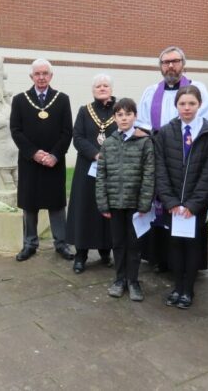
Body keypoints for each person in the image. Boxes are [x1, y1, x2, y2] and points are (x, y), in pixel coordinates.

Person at [136, 46, 208, 273]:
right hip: (161, 157)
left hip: (190, 159)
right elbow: (142, 125)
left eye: (175, 61)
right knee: (162, 201)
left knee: (187, 207)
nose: (170, 65)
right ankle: (160, 259)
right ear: (160, 66)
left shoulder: (197, 89)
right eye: (165, 62)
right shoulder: (151, 92)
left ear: (183, 64)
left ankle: (189, 265)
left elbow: (204, 119)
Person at [155, 85, 208, 309]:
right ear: (176, 106)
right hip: (172, 205)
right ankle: (177, 287)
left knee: (192, 247)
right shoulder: (165, 132)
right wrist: (170, 201)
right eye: (182, 104)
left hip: (195, 205)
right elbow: (160, 168)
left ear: (199, 105)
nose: (187, 108)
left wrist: (193, 204)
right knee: (174, 246)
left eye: (191, 103)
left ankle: (188, 289)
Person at [10, 59, 74, 262]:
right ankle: (30, 244)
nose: (41, 77)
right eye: (37, 74)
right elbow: (16, 131)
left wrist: (55, 155)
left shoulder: (62, 99)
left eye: (45, 73)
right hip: (30, 162)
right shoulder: (20, 100)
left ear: (51, 76)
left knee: (56, 204)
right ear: (31, 77)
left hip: (54, 163)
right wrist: (34, 153)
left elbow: (67, 132)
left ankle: (61, 243)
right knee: (30, 205)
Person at [95, 98, 154, 301]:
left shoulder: (145, 142)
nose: (124, 118)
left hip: (135, 205)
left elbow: (149, 174)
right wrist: (103, 202)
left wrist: (145, 203)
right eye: (119, 114)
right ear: (115, 118)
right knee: (118, 243)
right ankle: (120, 279)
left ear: (135, 116)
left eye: (128, 114)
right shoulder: (109, 143)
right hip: (114, 204)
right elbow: (101, 174)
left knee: (134, 244)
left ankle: (133, 281)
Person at [66, 73, 116, 274]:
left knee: (108, 210)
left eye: (105, 85)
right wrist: (95, 154)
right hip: (87, 168)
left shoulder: (120, 109)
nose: (102, 88)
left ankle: (106, 250)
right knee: (84, 210)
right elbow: (77, 137)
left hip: (112, 169)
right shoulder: (84, 111)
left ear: (111, 89)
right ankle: (81, 255)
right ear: (93, 90)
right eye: (98, 86)